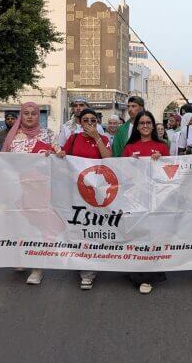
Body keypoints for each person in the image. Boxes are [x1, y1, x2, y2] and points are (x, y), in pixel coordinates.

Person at [1, 102, 60, 285]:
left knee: (37, 228)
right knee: (19, 225)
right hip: (17, 190)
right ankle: (21, 257)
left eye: (33, 113)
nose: (29, 116)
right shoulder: (13, 136)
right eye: (26, 113)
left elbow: (59, 156)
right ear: (21, 115)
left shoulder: (48, 134)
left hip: (40, 190)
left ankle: (37, 268)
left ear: (38, 116)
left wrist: (56, 155)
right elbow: (6, 159)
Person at [61, 108, 111, 290]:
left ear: (97, 123)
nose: (90, 123)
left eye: (93, 120)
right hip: (75, 190)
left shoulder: (103, 138)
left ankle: (88, 272)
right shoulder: (73, 139)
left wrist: (97, 138)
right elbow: (63, 157)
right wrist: (60, 155)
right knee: (78, 229)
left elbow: (109, 159)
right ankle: (80, 262)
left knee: (92, 229)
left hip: (96, 193)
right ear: (80, 123)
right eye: (86, 120)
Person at [121, 111, 169, 294]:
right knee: (137, 235)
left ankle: (148, 276)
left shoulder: (162, 146)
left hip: (156, 198)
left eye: (149, 122)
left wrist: (161, 160)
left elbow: (170, 172)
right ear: (137, 126)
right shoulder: (129, 147)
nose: (145, 125)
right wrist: (129, 163)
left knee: (153, 235)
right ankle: (136, 272)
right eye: (142, 123)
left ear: (153, 125)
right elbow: (122, 173)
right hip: (134, 198)